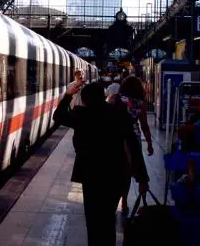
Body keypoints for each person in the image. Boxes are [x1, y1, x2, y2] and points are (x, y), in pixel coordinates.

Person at [53, 82, 149, 246]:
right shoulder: (119, 114)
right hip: (115, 173)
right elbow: (133, 144)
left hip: (91, 175)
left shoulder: (81, 114)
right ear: (102, 96)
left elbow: (58, 116)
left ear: (84, 99)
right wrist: (142, 178)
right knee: (107, 218)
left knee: (93, 220)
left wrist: (68, 95)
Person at [110, 76, 154, 215]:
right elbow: (144, 126)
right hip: (132, 137)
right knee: (128, 171)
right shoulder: (140, 103)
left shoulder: (115, 98)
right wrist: (149, 144)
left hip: (115, 137)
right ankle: (124, 201)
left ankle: (113, 199)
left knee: (117, 169)